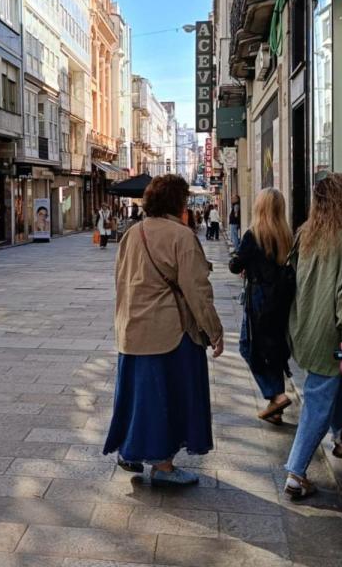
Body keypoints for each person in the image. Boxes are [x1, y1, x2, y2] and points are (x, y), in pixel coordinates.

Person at [104, 174, 224, 486]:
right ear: (179, 201)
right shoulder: (181, 236)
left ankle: (130, 450)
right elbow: (197, 290)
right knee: (169, 397)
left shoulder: (133, 233)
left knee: (136, 395)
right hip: (168, 331)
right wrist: (214, 330)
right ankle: (164, 465)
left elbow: (120, 280)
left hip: (132, 330)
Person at [284, 172, 342, 500]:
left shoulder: (305, 233)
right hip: (328, 333)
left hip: (303, 327)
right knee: (317, 400)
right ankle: (295, 471)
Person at [229, 188, 293, 425]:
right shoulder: (286, 234)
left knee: (249, 346)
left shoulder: (254, 235)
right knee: (273, 348)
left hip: (259, 298)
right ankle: (276, 410)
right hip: (281, 299)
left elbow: (236, 265)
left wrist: (237, 261)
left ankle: (276, 395)